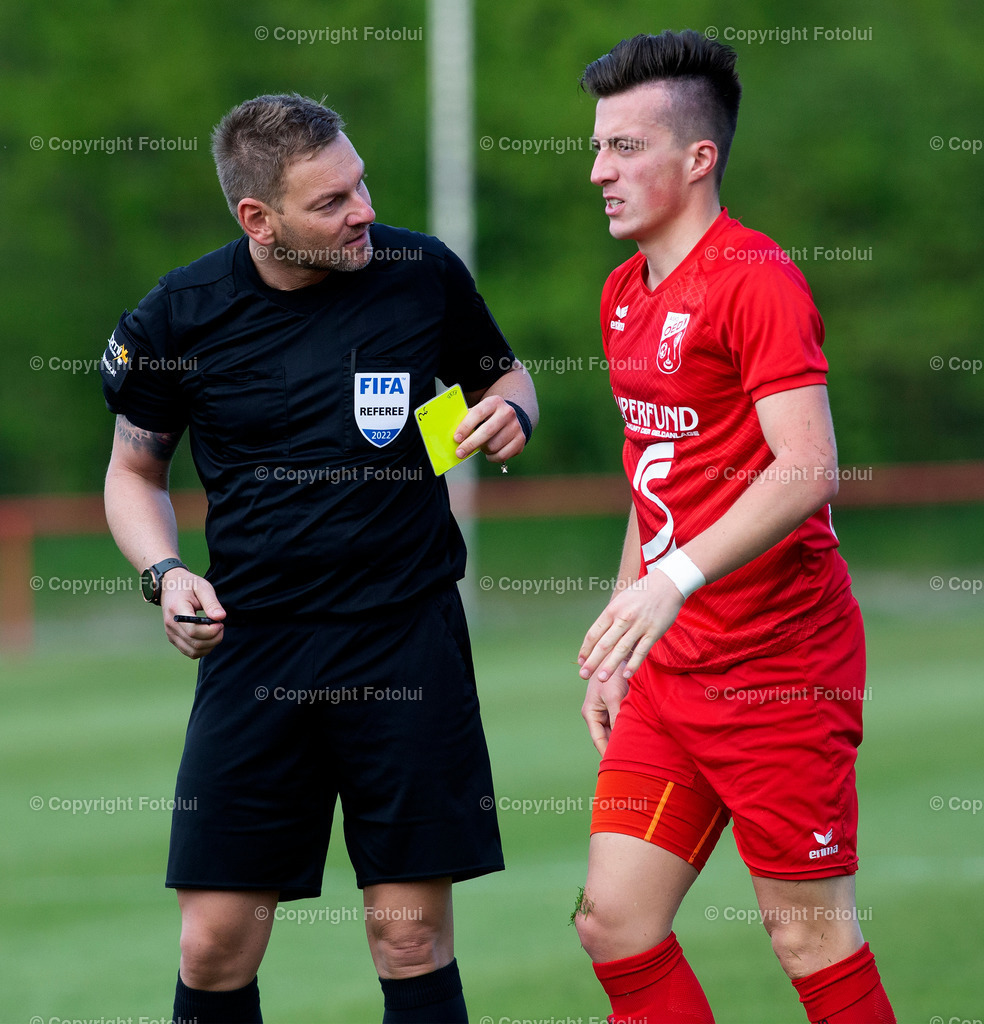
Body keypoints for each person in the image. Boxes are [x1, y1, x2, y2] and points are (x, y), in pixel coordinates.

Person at [99, 93, 537, 1024]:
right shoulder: (182, 315)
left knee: (411, 937)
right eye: (333, 200)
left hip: (405, 638)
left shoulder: (420, 272)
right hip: (254, 651)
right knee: (214, 946)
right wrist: (164, 576)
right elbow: (133, 471)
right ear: (259, 219)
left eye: (362, 182)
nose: (365, 210)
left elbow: (503, 372)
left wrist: (514, 410)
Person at [572, 31, 895, 1024]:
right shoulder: (624, 296)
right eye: (598, 146)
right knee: (614, 921)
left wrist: (675, 582)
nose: (598, 171)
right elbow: (652, 478)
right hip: (673, 674)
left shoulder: (755, 277)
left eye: (625, 146)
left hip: (778, 665)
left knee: (807, 933)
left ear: (698, 157)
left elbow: (807, 468)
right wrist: (628, 626)